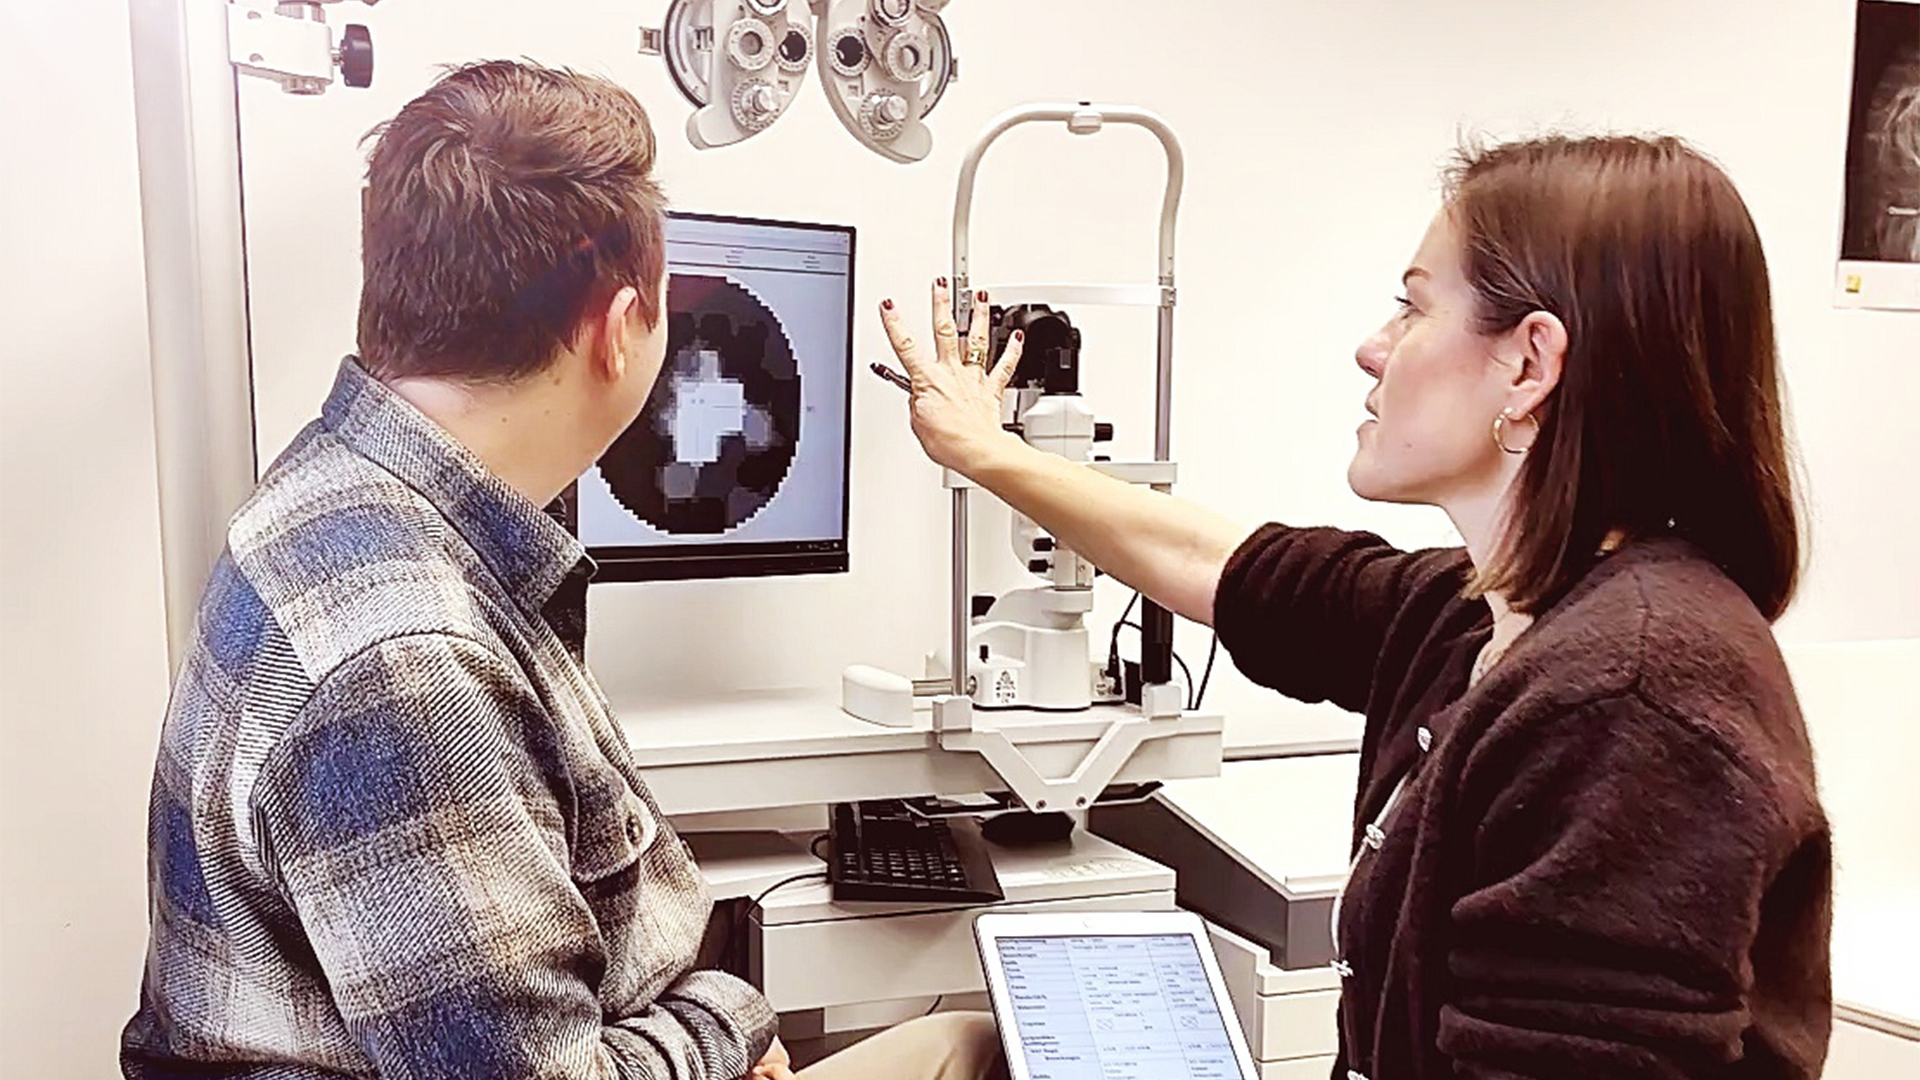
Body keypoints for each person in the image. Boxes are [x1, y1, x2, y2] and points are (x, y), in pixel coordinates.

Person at [879, 135, 1831, 1079]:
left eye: (1413, 308)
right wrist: (984, 451)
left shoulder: (1623, 700)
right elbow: (1221, 564)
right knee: (963, 1048)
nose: (1373, 349)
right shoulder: (1485, 618)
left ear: (1529, 364)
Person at [123, 60, 1002, 1080]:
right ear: (619, 329)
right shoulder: (405, 659)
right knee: (981, 1051)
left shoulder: (341, 492)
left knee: (968, 1043)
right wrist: (726, 1022)